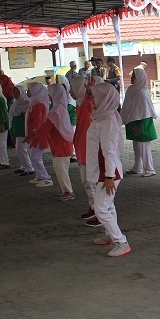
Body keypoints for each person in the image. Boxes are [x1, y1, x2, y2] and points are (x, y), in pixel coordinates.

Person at [87, 83, 131, 257]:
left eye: (94, 97)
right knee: (107, 206)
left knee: (101, 208)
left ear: (104, 98)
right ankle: (110, 234)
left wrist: (109, 176)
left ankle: (121, 241)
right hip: (104, 171)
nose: (91, 100)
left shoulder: (107, 121)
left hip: (108, 172)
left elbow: (109, 150)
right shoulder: (102, 117)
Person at [30, 83, 75, 199]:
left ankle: (69, 192)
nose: (49, 96)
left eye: (50, 93)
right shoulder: (58, 108)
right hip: (59, 144)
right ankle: (65, 190)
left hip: (62, 144)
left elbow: (46, 126)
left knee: (61, 169)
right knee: (58, 168)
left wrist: (34, 134)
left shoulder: (57, 110)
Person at [121, 67, 157, 177]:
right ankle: (138, 167)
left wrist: (140, 127)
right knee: (136, 147)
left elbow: (146, 112)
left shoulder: (142, 93)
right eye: (132, 76)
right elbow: (127, 106)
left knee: (144, 148)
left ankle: (149, 169)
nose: (131, 78)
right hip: (133, 123)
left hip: (142, 125)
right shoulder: (132, 90)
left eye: (134, 77)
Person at [71, 76, 96, 221]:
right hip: (82, 147)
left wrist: (89, 91)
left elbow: (90, 100)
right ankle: (93, 207)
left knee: (90, 182)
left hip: (87, 148)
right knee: (87, 182)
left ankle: (97, 211)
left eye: (73, 88)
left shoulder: (86, 103)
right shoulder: (80, 104)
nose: (70, 91)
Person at [24, 82, 53, 187]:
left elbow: (38, 122)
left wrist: (34, 134)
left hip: (37, 134)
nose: (28, 92)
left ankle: (45, 177)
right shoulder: (34, 103)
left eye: (30, 90)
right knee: (35, 156)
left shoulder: (38, 105)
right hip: (35, 134)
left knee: (35, 157)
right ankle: (40, 175)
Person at [9, 85, 34, 176]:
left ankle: (29, 168)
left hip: (23, 129)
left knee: (21, 149)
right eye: (14, 92)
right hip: (16, 128)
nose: (15, 94)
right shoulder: (15, 103)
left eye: (17, 92)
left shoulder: (26, 103)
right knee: (19, 149)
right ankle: (23, 166)